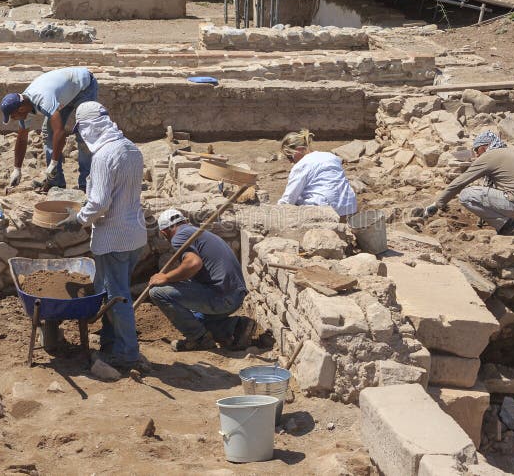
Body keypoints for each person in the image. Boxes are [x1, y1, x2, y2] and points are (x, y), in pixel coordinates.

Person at [57, 101, 147, 369]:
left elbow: (98, 204)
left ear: (90, 127)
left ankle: (128, 353)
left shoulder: (103, 157)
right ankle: (111, 341)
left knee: (117, 297)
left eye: (82, 131)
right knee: (110, 291)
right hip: (135, 235)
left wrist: (79, 220)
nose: (82, 138)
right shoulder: (131, 148)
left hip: (114, 238)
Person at [148, 209, 254, 352]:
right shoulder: (197, 233)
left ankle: (198, 339)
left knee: (157, 292)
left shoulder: (179, 236)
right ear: (184, 221)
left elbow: (193, 264)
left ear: (164, 232)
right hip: (234, 296)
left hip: (222, 297)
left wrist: (166, 277)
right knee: (195, 320)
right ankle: (237, 326)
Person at [422, 131, 514, 236]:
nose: (476, 155)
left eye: (477, 151)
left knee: (467, 194)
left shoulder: (489, 156)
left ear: (483, 147)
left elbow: (459, 183)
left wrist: (437, 204)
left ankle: (509, 226)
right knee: (510, 194)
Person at [1, 67, 98, 192]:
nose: (14, 119)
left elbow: (60, 132)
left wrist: (53, 162)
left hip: (84, 86)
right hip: (64, 92)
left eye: (13, 116)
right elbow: (21, 139)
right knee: (48, 133)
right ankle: (55, 182)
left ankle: (86, 184)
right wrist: (17, 169)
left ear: (20, 109)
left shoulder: (44, 100)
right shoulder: (24, 105)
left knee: (84, 134)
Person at [277, 129, 357, 218]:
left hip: (325, 210)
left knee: (294, 206)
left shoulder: (302, 165)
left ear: (299, 150)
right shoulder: (331, 156)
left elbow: (289, 199)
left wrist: (276, 211)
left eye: (290, 157)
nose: (290, 161)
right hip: (349, 207)